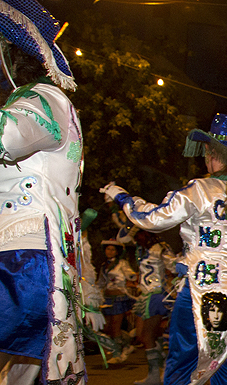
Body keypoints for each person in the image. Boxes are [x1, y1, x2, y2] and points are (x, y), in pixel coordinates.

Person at [100, 113, 227, 384]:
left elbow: (153, 219)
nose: (207, 158)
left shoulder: (200, 190)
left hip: (202, 292)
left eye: (212, 152)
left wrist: (123, 198)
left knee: (184, 361)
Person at [0, 1, 85, 383]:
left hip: (26, 256)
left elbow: (9, 136)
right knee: (28, 370)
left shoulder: (44, 97)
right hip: (23, 255)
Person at [132, 230, 177, 384]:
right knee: (142, 335)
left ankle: (157, 373)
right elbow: (122, 237)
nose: (137, 239)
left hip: (156, 295)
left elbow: (174, 266)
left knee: (148, 335)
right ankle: (161, 366)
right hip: (145, 296)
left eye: (139, 235)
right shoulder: (141, 250)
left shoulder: (160, 248)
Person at [98, 238, 139, 364]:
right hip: (107, 299)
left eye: (112, 249)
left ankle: (117, 353)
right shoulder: (103, 265)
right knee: (107, 327)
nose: (110, 252)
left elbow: (131, 275)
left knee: (115, 327)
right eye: (108, 249)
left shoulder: (122, 263)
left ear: (117, 252)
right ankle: (127, 344)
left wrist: (133, 275)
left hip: (119, 298)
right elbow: (100, 283)